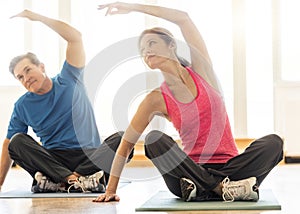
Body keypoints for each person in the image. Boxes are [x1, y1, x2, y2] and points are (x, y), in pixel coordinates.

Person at [94, 2, 283, 203]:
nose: (146, 51)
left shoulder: (203, 71)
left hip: (230, 169)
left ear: (171, 45)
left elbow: (183, 18)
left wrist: (134, 7)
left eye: (151, 44)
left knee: (274, 143)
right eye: (142, 49)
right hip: (188, 173)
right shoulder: (155, 98)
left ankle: (210, 188)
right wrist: (111, 189)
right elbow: (126, 145)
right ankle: (223, 188)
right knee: (154, 140)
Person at [0, 10, 132, 193]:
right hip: (54, 160)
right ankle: (75, 180)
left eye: (28, 70)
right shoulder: (22, 105)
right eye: (20, 77)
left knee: (126, 138)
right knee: (16, 141)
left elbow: (75, 38)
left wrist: (39, 17)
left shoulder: (69, 78)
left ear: (41, 67)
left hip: (89, 156)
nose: (25, 78)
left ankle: (66, 180)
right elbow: (9, 145)